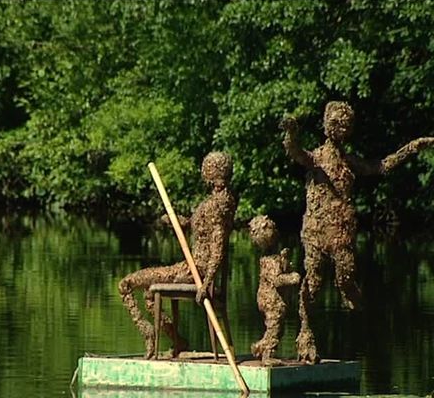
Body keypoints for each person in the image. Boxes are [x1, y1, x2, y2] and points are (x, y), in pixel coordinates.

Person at [281, 101, 434, 364]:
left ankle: (362, 315)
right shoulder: (316, 158)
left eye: (346, 124)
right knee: (313, 284)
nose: (342, 128)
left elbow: (381, 166)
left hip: (341, 232)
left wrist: (411, 148)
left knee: (346, 277)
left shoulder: (349, 161)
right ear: (328, 126)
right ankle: (306, 336)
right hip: (317, 231)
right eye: (337, 123)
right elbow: (296, 152)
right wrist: (291, 132)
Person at [118, 152, 238, 359]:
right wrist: (177, 220)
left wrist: (206, 282)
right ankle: (177, 340)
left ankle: (150, 333)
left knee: (126, 284)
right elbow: (198, 226)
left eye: (206, 167)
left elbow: (218, 246)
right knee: (148, 294)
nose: (203, 171)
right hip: (192, 267)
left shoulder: (218, 206)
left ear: (213, 171)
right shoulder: (219, 201)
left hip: (194, 271)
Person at [248, 215, 300, 364]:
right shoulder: (269, 261)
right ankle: (267, 355)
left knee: (277, 328)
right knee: (275, 327)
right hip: (271, 299)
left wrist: (285, 263)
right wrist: (292, 277)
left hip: (270, 298)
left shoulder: (272, 258)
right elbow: (277, 280)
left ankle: (260, 347)